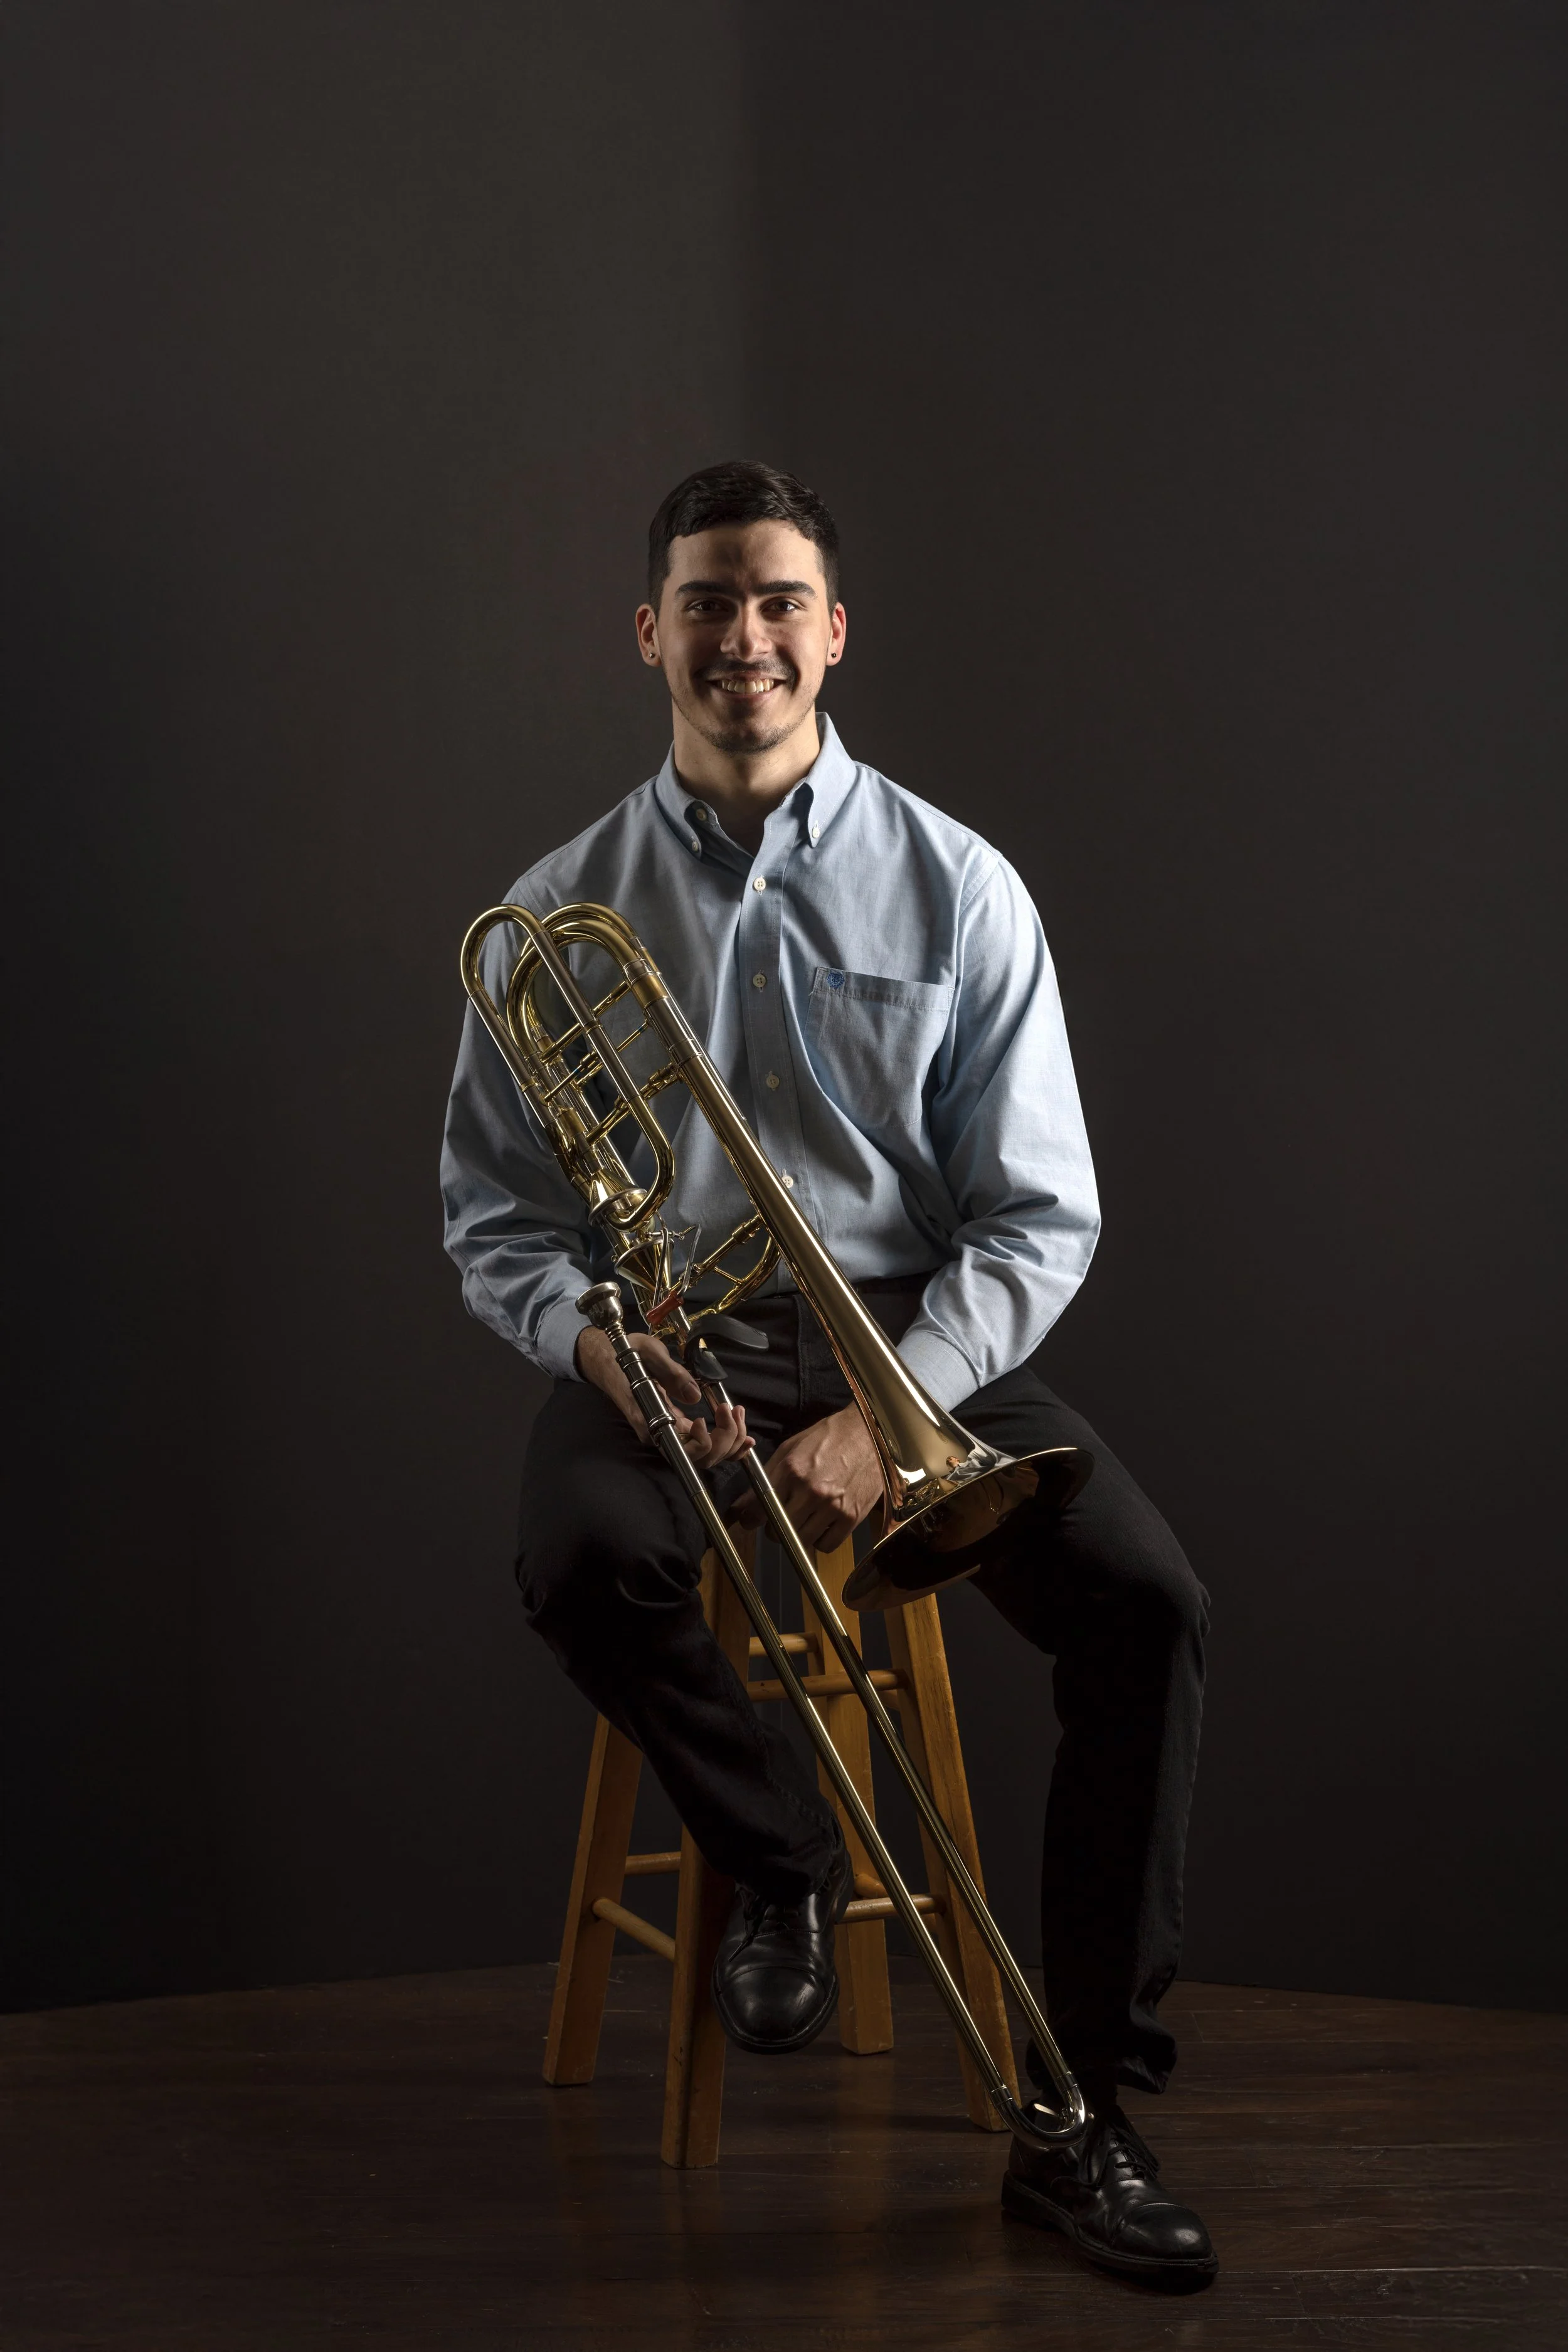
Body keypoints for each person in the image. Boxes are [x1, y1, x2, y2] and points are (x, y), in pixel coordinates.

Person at [441, 461, 1216, 2292]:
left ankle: (1082, 2106)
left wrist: (897, 1405)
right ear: (649, 633)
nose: (746, 636)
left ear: (835, 631)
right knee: (580, 1559)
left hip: (909, 1335)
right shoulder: (557, 910)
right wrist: (597, 1344)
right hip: (679, 1346)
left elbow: (1040, 1215)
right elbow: (496, 1219)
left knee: (1147, 1606)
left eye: (779, 599)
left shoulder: (960, 884)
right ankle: (782, 1858)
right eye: (708, 600)